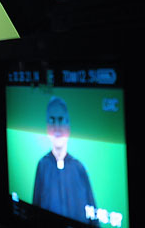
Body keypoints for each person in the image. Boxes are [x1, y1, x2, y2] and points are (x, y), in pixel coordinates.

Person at [33, 96, 98, 226]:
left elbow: (93, 217)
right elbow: (34, 214)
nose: (57, 127)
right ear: (47, 128)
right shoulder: (43, 165)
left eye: (61, 120)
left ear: (68, 126)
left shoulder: (79, 168)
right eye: (52, 120)